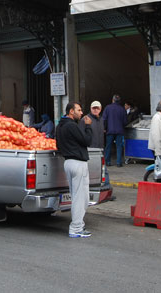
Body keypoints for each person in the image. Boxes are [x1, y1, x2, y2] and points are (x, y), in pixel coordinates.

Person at [56, 101, 92, 238]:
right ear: (71, 111)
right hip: (78, 163)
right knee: (80, 197)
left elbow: (58, 145)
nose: (81, 113)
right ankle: (76, 227)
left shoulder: (59, 126)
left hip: (68, 163)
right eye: (79, 110)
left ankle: (78, 225)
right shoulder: (72, 126)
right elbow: (87, 140)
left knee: (77, 195)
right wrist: (88, 127)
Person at [102, 94, 127, 167]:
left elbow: (104, 119)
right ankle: (119, 162)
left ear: (112, 100)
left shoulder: (107, 108)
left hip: (110, 130)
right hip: (119, 131)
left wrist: (104, 128)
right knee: (119, 146)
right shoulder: (122, 109)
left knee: (108, 146)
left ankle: (108, 162)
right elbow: (125, 121)